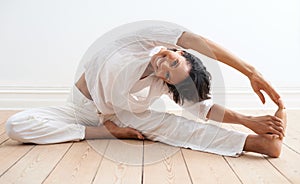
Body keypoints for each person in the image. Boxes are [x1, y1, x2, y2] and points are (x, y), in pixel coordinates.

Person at [5, 21, 287, 158]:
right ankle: (102, 135)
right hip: (82, 111)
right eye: (171, 60)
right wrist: (251, 71)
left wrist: (247, 120)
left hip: (125, 115)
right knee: (16, 126)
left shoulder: (162, 80)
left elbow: (201, 108)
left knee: (176, 127)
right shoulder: (138, 39)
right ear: (178, 51)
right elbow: (196, 39)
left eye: (167, 75)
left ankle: (257, 143)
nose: (162, 66)